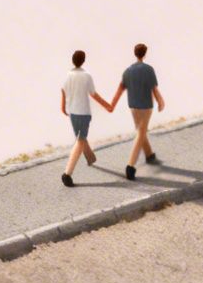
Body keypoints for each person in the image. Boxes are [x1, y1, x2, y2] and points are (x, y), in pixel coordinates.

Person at [109, 42, 164, 181]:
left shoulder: (127, 71)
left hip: (133, 106)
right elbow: (154, 89)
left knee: (141, 130)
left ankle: (149, 154)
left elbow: (120, 89)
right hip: (146, 105)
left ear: (135, 53)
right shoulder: (149, 70)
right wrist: (160, 101)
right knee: (141, 132)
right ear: (144, 54)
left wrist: (112, 104)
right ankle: (130, 166)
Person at [59, 49, 112, 187]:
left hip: (72, 112)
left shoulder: (68, 75)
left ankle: (90, 158)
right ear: (83, 61)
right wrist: (107, 106)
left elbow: (63, 90)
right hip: (83, 112)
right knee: (80, 140)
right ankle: (67, 174)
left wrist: (63, 106)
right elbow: (94, 94)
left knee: (80, 137)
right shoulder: (86, 75)